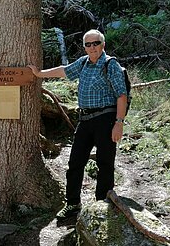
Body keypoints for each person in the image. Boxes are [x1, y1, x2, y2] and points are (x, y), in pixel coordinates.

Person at [28, 29, 128, 220]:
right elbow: (63, 71)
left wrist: (119, 123)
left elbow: (121, 95)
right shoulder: (83, 63)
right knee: (75, 163)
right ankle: (73, 204)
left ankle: (103, 205)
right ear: (84, 48)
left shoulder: (110, 65)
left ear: (103, 44)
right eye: (88, 45)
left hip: (106, 119)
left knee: (105, 163)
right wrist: (39, 74)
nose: (92, 48)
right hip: (84, 120)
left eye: (95, 43)